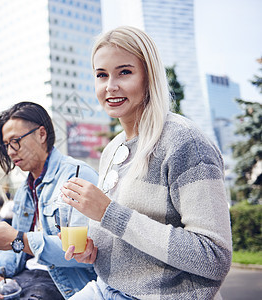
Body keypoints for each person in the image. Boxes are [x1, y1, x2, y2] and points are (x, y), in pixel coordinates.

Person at [60, 26, 232, 299]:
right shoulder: (113, 149)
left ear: (148, 77)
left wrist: (108, 213)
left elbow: (213, 257)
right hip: (107, 289)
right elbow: (128, 235)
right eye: (101, 75)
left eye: (124, 72)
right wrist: (94, 250)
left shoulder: (185, 141)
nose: (110, 86)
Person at [0, 101, 98, 300]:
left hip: (64, 282)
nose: (11, 151)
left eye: (16, 140)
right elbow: (14, 249)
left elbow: (83, 253)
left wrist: (18, 239)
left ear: (42, 134)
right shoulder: (25, 189)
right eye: (6, 145)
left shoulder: (77, 175)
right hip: (24, 275)